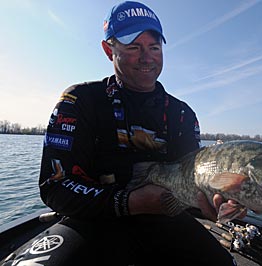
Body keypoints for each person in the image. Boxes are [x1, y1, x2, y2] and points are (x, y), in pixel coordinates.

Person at [24, 1, 244, 265]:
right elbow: (54, 187)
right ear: (109, 50)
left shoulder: (182, 114)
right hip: (91, 222)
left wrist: (220, 203)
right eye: (133, 47)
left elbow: (195, 184)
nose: (146, 57)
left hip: (166, 221)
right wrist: (129, 202)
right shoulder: (79, 101)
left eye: (154, 47)